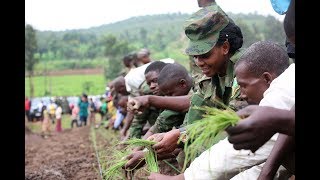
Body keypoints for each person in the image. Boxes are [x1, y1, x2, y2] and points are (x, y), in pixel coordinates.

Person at [148, 41, 291, 180]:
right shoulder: (210, 80)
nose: (199, 62)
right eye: (195, 57)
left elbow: (238, 148)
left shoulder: (282, 90)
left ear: (225, 48)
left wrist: (184, 177)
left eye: (205, 55)